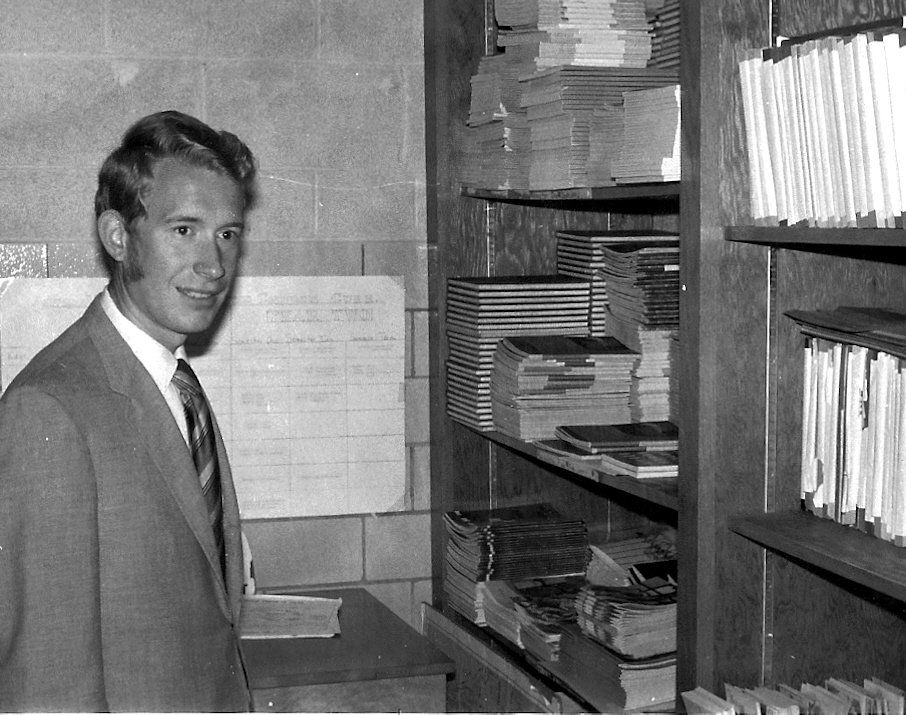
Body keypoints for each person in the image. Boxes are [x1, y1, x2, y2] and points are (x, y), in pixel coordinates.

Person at [0, 110, 257, 711]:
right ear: (118, 237)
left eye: (227, 234)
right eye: (184, 230)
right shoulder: (50, 410)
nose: (214, 266)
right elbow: (46, 682)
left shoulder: (174, 379)